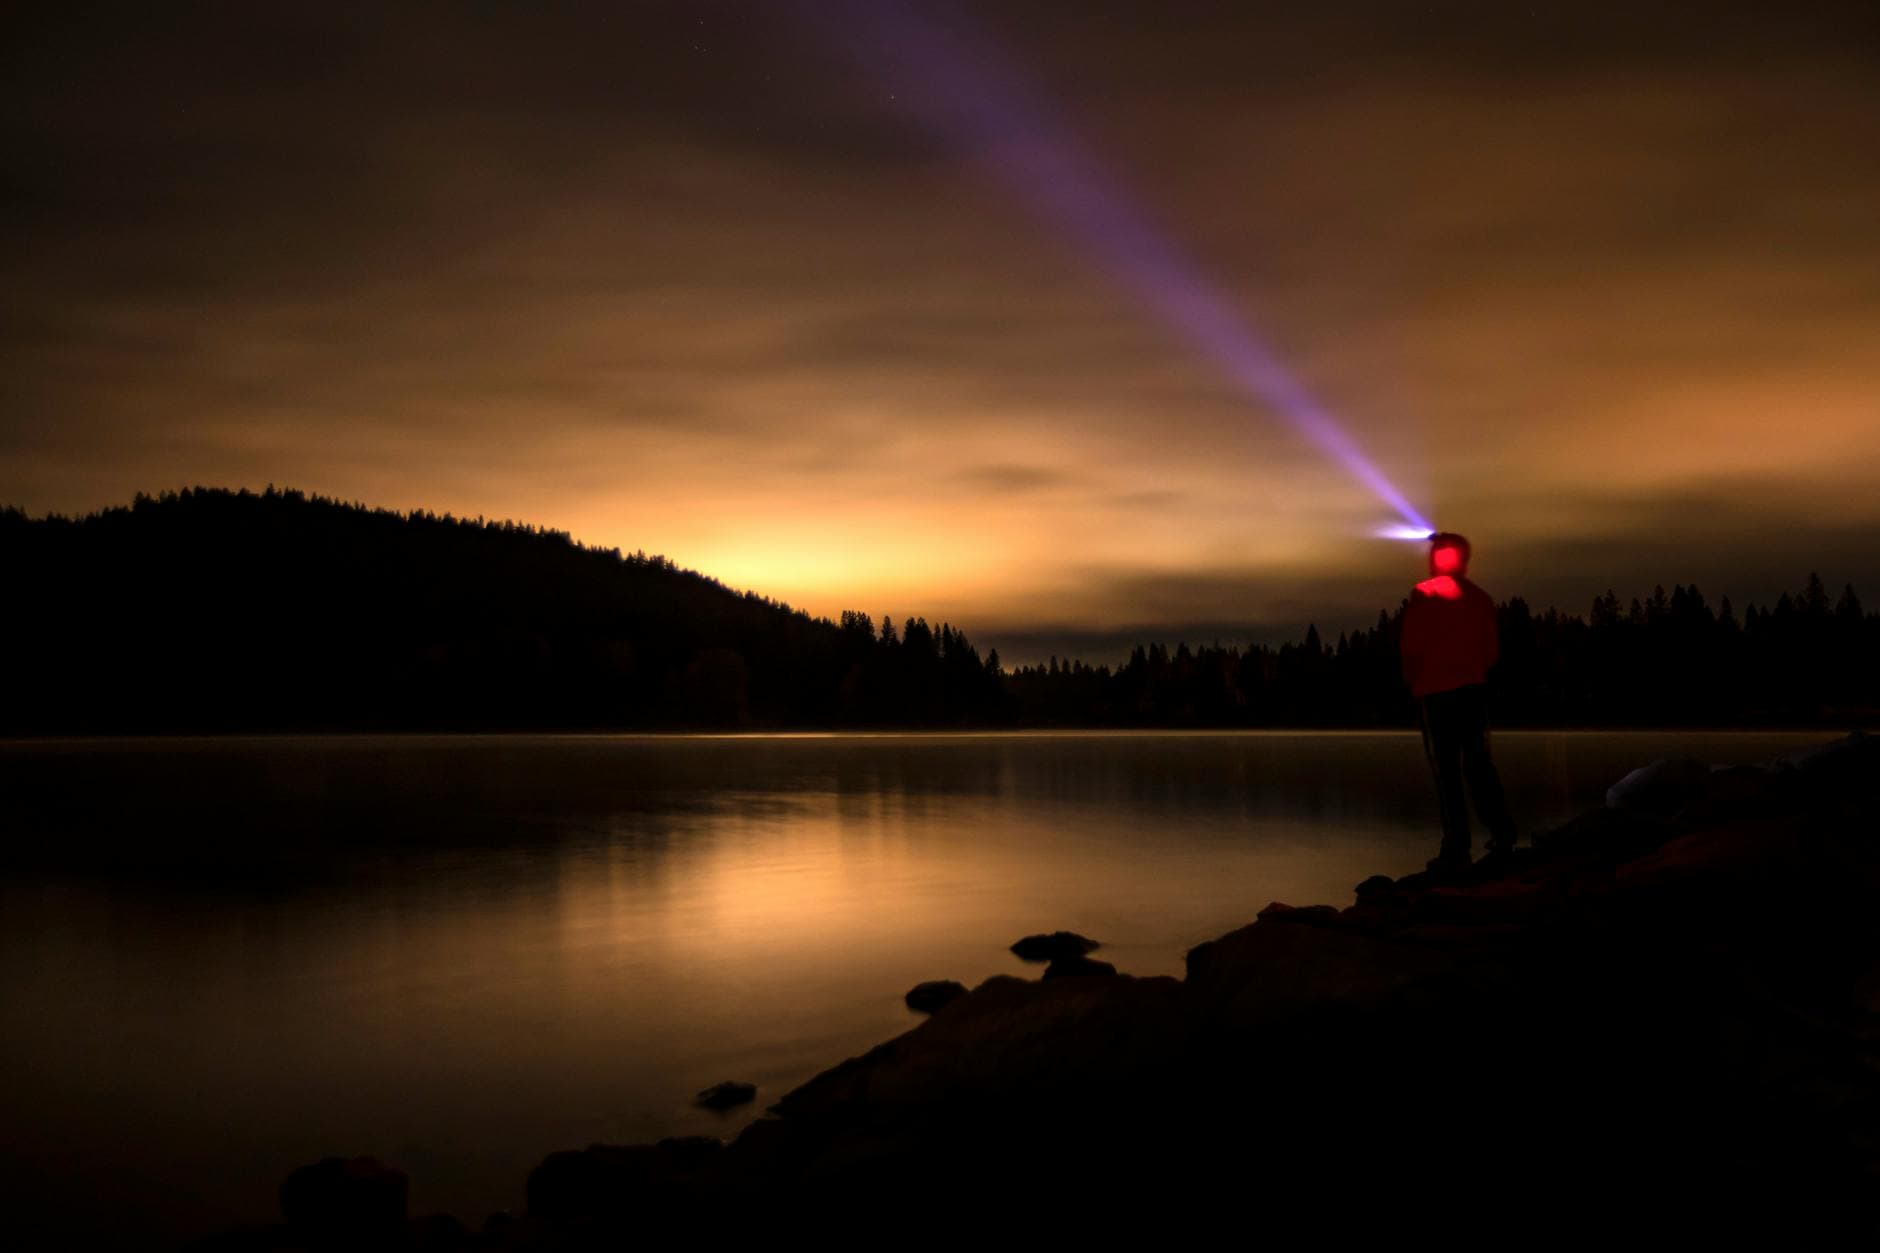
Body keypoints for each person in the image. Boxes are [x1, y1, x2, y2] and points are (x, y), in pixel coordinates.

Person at [1399, 532, 1517, 872]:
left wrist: (1413, 680)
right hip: (1472, 692)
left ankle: (1456, 847)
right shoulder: (1480, 598)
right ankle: (1502, 834)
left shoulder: (1423, 595)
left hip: (1436, 694)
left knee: (1447, 773)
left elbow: (1411, 646)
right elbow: (1491, 652)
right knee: (1479, 766)